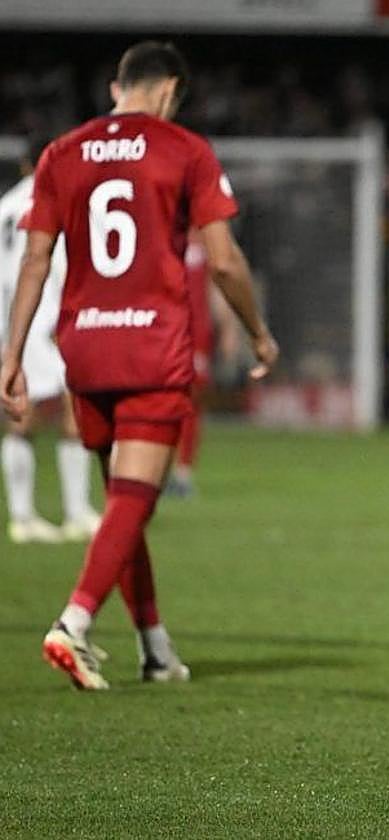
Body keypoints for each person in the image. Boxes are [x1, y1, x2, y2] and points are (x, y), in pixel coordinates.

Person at [1, 41, 278, 690]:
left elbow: (36, 261)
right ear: (171, 90)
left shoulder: (61, 154)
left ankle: (156, 650)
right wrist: (259, 335)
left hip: (86, 350)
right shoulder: (184, 150)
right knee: (133, 502)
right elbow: (226, 260)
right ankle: (73, 623)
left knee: (124, 505)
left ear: (115, 88)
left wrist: (11, 355)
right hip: (151, 347)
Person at [0, 137, 101, 543]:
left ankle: (22, 517)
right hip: (43, 322)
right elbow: (56, 268)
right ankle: (76, 512)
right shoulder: (55, 201)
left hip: (9, 323)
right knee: (72, 409)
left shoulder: (4, 206)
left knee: (19, 412)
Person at [163, 232, 239, 499]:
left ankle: (182, 471)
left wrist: (228, 328)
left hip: (196, 335)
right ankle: (158, 468)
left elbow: (217, 284)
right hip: (162, 331)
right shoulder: (162, 237)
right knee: (162, 400)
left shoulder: (207, 240)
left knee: (191, 400)